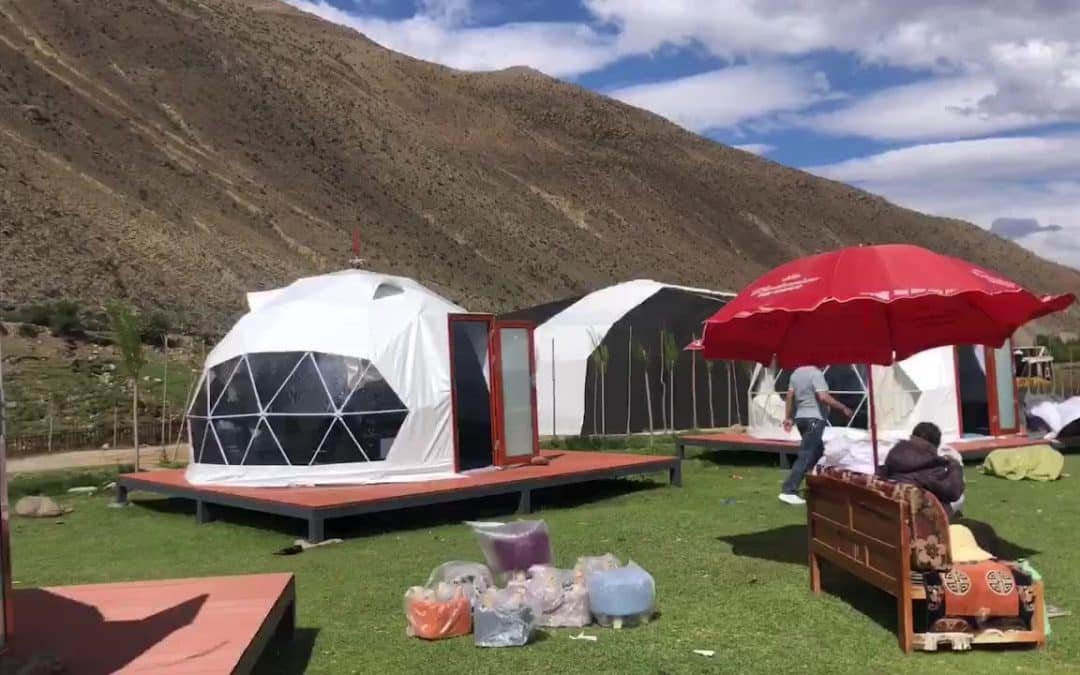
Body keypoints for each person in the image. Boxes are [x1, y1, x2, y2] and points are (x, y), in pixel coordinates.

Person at [779, 366, 853, 505]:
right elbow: (823, 396)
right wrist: (842, 407)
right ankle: (788, 490)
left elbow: (789, 396)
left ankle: (814, 486)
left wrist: (788, 417)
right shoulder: (816, 374)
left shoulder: (796, 373)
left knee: (817, 453)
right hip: (814, 420)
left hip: (801, 419)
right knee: (806, 454)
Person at [879, 422, 965, 518]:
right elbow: (954, 492)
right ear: (935, 443)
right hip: (921, 523)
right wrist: (955, 465)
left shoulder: (894, 456)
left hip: (893, 517)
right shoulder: (929, 465)